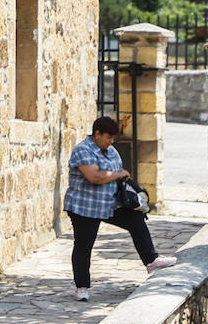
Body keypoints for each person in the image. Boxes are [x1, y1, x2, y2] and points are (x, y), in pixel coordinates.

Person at [64, 116, 176, 301]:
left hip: (109, 203)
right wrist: (118, 174)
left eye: (113, 138)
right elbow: (95, 176)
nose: (111, 141)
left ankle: (151, 260)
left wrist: (123, 177)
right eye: (109, 137)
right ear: (97, 133)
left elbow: (118, 169)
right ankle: (82, 287)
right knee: (84, 246)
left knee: (136, 220)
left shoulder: (110, 150)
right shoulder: (83, 150)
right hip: (84, 206)